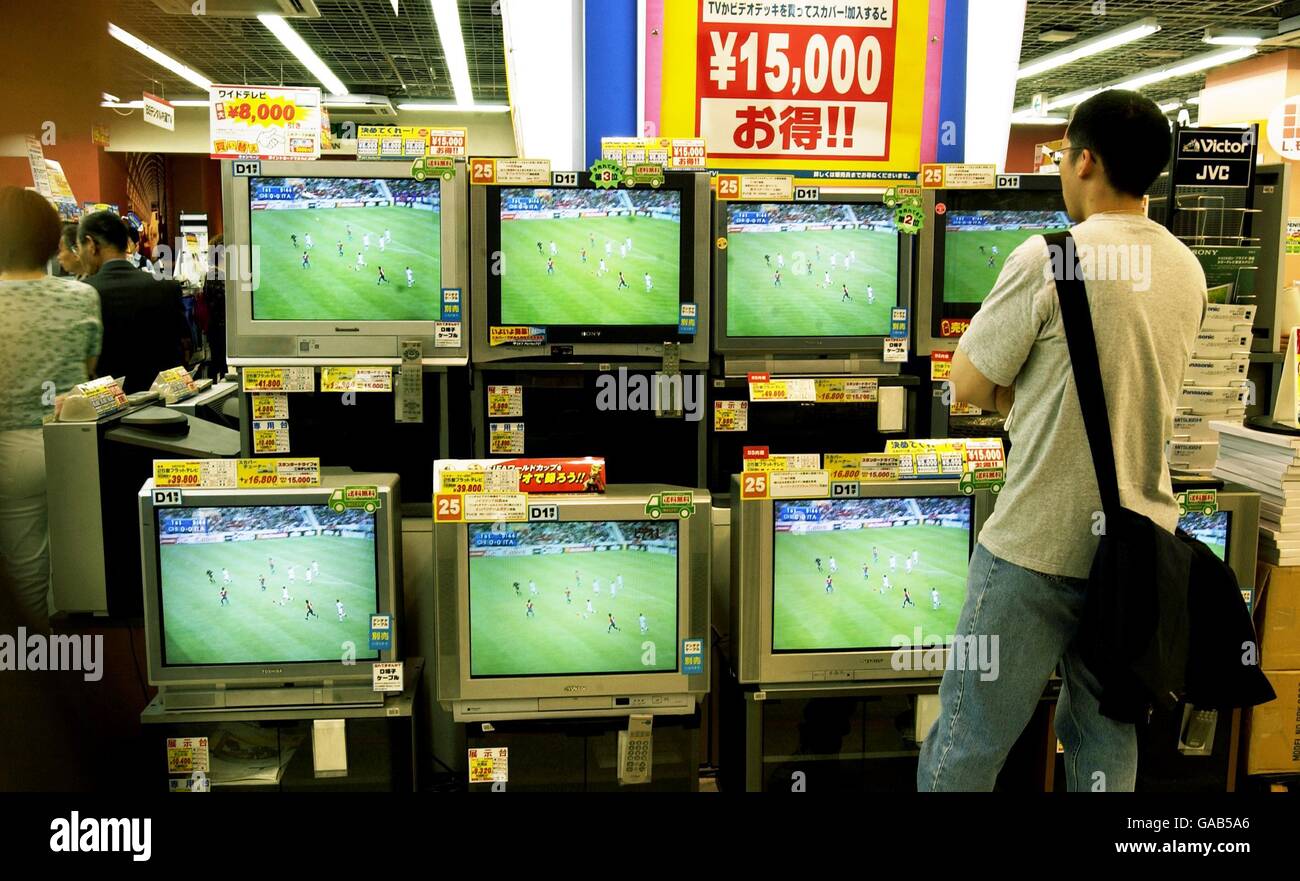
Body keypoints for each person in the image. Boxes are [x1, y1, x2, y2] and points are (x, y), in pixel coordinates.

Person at [918, 91, 1205, 794]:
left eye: (1060, 155)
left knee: (967, 739)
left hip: (1036, 544)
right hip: (1137, 549)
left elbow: (967, 385)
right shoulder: (1186, 269)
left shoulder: (1052, 257)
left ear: (1085, 159)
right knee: (1106, 741)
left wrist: (1025, 398)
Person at [0, 188, 101, 631]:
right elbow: (86, 368)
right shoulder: (81, 298)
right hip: (69, 446)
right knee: (77, 572)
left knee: (26, 575)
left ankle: (33, 670)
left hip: (11, 449)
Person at [77, 211, 187, 393]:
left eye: (78, 247)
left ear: (90, 244)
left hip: (109, 410)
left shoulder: (84, 293)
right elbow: (183, 350)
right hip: (166, 408)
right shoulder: (168, 288)